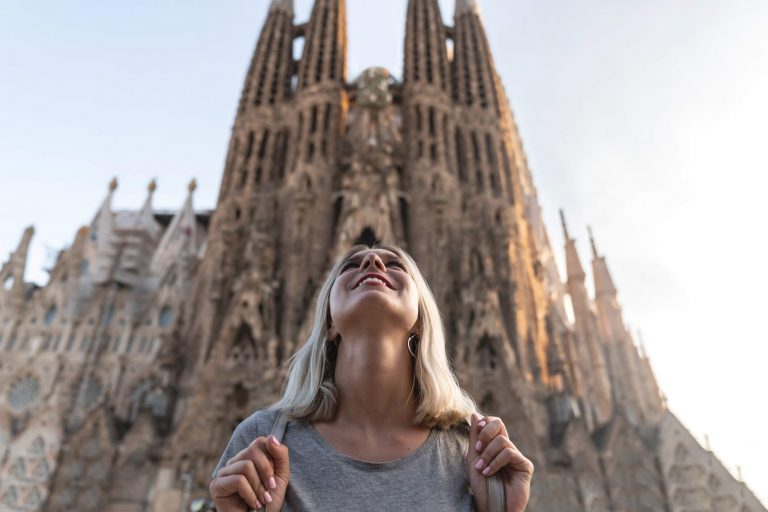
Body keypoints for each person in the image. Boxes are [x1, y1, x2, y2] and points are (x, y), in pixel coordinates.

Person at [210, 243, 533, 511]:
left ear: (420, 321)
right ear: (329, 323)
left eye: (395, 265)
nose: (372, 261)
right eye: (350, 265)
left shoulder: (471, 451)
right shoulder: (265, 440)